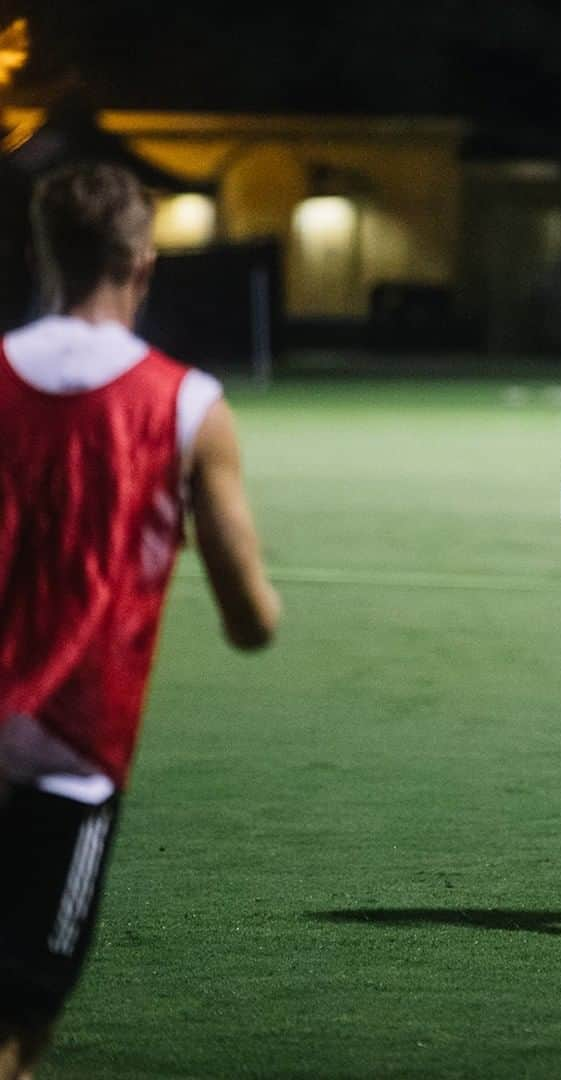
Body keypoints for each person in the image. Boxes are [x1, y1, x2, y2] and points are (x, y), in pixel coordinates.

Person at [0, 161, 281, 1078]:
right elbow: (252, 624)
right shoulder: (188, 407)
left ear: (43, 257)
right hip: (71, 755)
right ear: (145, 264)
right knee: (21, 1024)